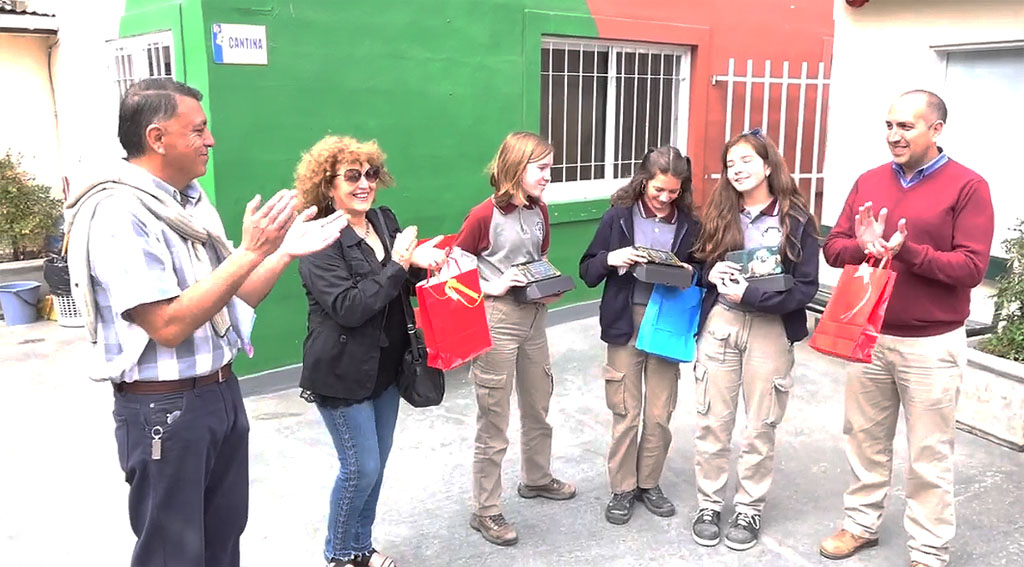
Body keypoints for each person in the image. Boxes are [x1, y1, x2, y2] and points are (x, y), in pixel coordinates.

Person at [63, 78, 348, 567]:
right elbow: (168, 325)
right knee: (173, 554)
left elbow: (232, 299)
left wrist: (281, 253)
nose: (210, 140)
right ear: (157, 138)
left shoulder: (189, 202)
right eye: (197, 130)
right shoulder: (120, 213)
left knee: (222, 540)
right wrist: (252, 251)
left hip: (219, 393)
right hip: (165, 411)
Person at [818, 90, 994, 567]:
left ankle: (929, 549)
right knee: (863, 439)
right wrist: (864, 247)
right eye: (890, 125)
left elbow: (972, 268)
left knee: (929, 454)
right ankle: (860, 523)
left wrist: (905, 251)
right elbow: (833, 248)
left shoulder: (968, 186)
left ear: (936, 130)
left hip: (932, 345)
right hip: (869, 336)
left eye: (906, 127)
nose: (894, 135)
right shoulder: (870, 180)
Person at [294, 135, 446, 567]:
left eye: (371, 174)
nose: (365, 184)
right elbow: (349, 307)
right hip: (341, 372)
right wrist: (400, 263)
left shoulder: (382, 220)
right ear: (328, 186)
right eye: (352, 176)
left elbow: (399, 289)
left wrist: (422, 265)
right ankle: (339, 555)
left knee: (376, 466)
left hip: (386, 365)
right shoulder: (318, 240)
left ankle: (361, 546)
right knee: (359, 468)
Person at [690, 128, 820, 551]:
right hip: (722, 324)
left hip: (770, 330)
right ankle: (709, 503)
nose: (737, 170)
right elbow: (697, 264)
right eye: (730, 164)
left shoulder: (795, 219)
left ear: (767, 166)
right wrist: (708, 274)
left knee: (760, 424)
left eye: (746, 160)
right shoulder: (719, 213)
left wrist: (752, 294)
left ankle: (749, 507)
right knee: (713, 420)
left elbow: (806, 288)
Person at [452, 131, 576, 547]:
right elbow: (454, 272)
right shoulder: (482, 217)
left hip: (535, 318)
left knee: (538, 405)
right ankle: (485, 510)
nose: (548, 177)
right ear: (516, 167)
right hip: (497, 321)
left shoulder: (539, 210)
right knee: (494, 419)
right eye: (541, 169)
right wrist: (494, 285)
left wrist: (548, 281)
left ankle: (537, 479)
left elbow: (538, 259)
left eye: (550, 169)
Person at [578, 145, 701, 525]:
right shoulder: (618, 218)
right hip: (625, 319)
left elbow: (701, 269)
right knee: (625, 410)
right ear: (643, 181)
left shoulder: (690, 224)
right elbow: (587, 270)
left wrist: (688, 273)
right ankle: (622, 488)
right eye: (658, 190)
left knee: (660, 411)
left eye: (673, 192)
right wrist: (611, 259)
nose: (665, 199)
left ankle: (650, 483)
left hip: (668, 318)